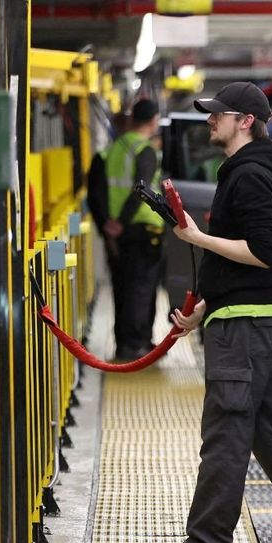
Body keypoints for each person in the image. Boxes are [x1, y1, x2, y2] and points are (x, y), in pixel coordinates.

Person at [144, 82, 272, 543]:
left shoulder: (251, 176)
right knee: (270, 431)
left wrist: (196, 236)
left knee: (226, 434)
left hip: (244, 330)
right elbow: (241, 266)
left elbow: (261, 253)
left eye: (219, 114)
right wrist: (203, 309)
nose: (211, 120)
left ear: (246, 121)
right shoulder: (245, 172)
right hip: (246, 319)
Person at [103, 99, 165, 360]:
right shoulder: (145, 149)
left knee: (125, 287)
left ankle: (126, 341)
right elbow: (140, 191)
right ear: (153, 121)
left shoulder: (115, 147)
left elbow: (106, 188)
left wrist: (112, 222)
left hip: (120, 230)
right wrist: (122, 221)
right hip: (142, 227)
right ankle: (136, 344)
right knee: (142, 288)